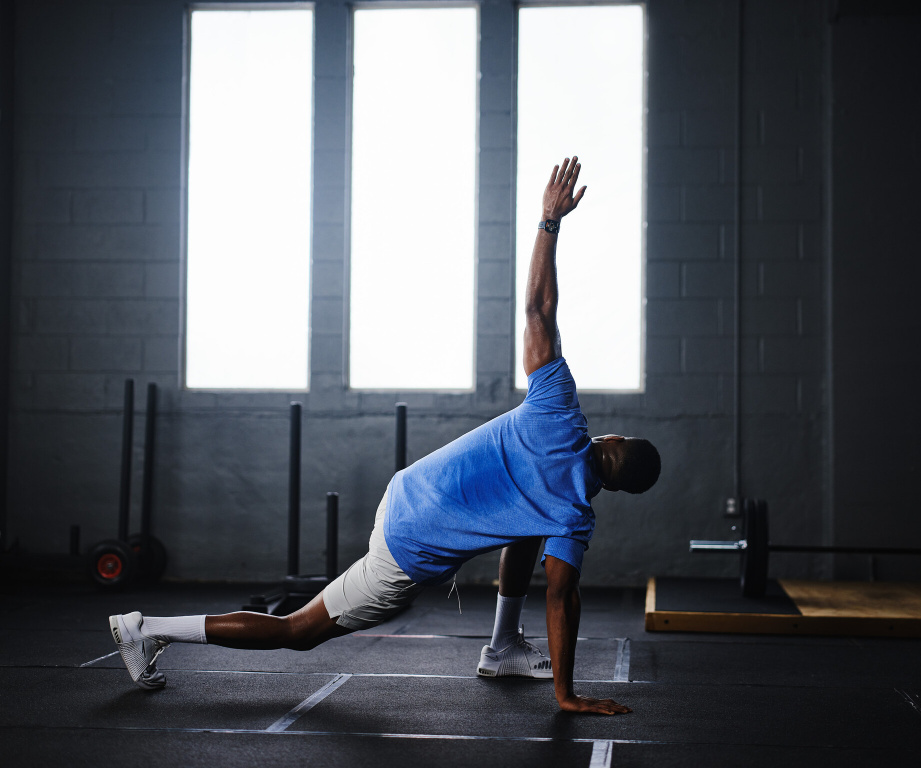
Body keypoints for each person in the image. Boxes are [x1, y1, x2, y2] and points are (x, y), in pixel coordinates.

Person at [109, 156, 661, 716]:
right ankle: (148, 629)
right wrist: (567, 694)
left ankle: (501, 647)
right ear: (617, 489)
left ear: (613, 438)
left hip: (407, 491)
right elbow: (562, 598)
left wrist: (549, 220)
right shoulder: (571, 514)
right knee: (297, 630)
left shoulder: (558, 408)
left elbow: (538, 309)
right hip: (407, 547)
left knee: (527, 527)